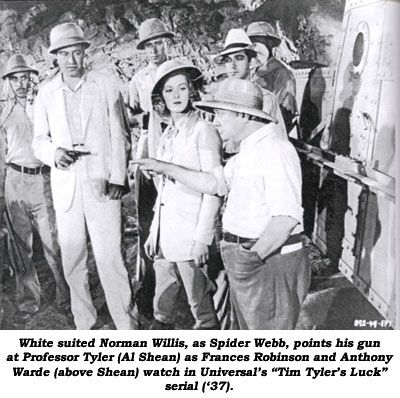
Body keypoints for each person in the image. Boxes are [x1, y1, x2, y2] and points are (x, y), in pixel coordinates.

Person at [134, 79, 310, 330]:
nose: (215, 122)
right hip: (252, 260)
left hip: (268, 263)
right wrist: (164, 167)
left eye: (220, 115)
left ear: (241, 114)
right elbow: (213, 183)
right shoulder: (249, 150)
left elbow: (286, 218)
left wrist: (251, 260)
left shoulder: (275, 150)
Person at [33, 22, 136, 330]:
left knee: (110, 257)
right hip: (67, 184)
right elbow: (38, 140)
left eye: (77, 53)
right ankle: (85, 325)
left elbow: (120, 133)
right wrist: (54, 153)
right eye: (64, 54)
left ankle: (126, 325)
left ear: (84, 53)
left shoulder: (104, 84)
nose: (72, 60)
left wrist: (119, 176)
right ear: (56, 58)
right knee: (73, 258)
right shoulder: (46, 92)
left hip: (102, 182)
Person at [144, 59, 222, 329]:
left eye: (182, 88)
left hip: (190, 237)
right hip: (167, 238)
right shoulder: (168, 135)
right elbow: (163, 192)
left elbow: (214, 189)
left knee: (200, 305)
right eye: (169, 90)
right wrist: (155, 232)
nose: (176, 96)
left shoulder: (204, 131)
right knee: (161, 306)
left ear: (192, 91)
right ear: (161, 97)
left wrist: (202, 239)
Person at [0, 54, 70, 322]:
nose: (20, 84)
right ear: (8, 82)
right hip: (15, 180)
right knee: (21, 247)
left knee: (53, 243)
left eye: (24, 78)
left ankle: (66, 296)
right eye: (14, 79)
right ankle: (29, 301)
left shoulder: (44, 105)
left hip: (43, 179)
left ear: (32, 79)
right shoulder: (3, 112)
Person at [128, 18, 175, 316]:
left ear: (168, 43)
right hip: (148, 156)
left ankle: (177, 290)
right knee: (147, 224)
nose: (154, 49)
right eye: (149, 45)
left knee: (176, 222)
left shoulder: (179, 72)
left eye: (159, 42)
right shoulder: (138, 80)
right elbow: (132, 117)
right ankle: (150, 286)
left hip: (175, 157)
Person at [214, 28, 285, 144]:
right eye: (228, 60)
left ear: (251, 62)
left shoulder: (266, 99)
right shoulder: (221, 99)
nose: (232, 66)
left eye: (239, 58)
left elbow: (279, 140)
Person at [247, 21, 297, 133]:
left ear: (270, 43)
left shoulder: (281, 73)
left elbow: (285, 113)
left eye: (257, 40)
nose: (254, 46)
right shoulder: (253, 71)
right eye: (251, 41)